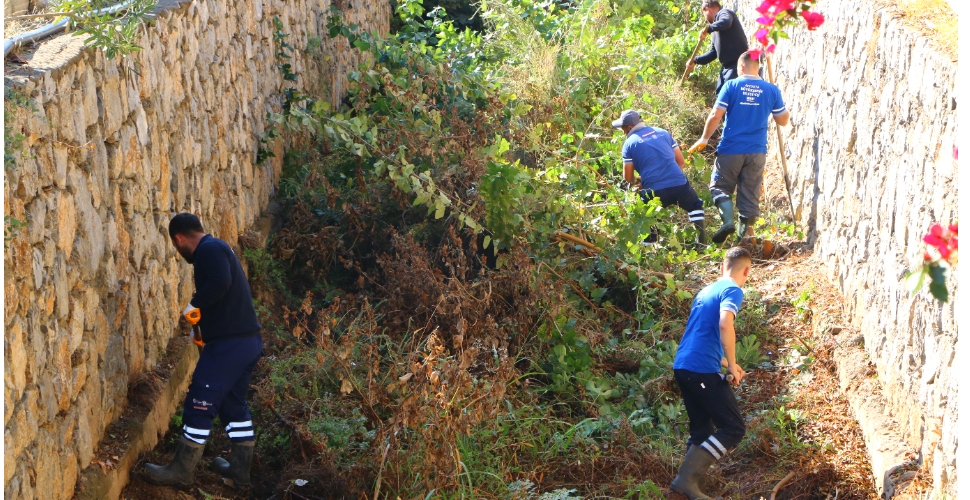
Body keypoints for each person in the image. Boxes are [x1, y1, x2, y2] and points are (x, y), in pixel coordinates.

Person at [145, 213, 264, 490]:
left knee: (200, 399)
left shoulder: (208, 249)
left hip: (230, 346)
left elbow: (220, 283)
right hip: (245, 342)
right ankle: (239, 474)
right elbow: (225, 292)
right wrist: (203, 329)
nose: (179, 251)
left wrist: (194, 305)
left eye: (176, 246)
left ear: (179, 239)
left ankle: (180, 471)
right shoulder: (218, 248)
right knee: (232, 405)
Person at [670, 246, 751, 499]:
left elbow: (704, 334)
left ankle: (686, 491)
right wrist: (730, 364)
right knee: (733, 428)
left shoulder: (706, 291)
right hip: (701, 368)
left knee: (701, 431)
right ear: (746, 271)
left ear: (721, 268)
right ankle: (686, 481)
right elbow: (725, 323)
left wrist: (728, 361)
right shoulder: (733, 290)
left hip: (684, 365)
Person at [689, 51, 790, 244]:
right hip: (757, 151)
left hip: (731, 149)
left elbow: (715, 115)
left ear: (741, 67)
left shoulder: (732, 86)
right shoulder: (771, 90)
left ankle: (727, 222)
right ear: (758, 67)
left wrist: (704, 138)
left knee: (719, 187)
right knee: (750, 195)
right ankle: (744, 241)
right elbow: (782, 120)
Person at [612, 109, 707, 245]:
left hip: (653, 190)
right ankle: (702, 245)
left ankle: (652, 251)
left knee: (648, 217)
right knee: (695, 206)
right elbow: (680, 162)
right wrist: (671, 177)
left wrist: (638, 181)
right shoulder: (663, 133)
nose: (623, 132)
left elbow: (627, 177)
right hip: (679, 184)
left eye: (622, 129)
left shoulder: (629, 144)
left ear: (629, 128)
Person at [685, 0, 749, 95]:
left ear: (707, 9)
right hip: (726, 67)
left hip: (737, 65)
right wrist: (695, 60)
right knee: (720, 94)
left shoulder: (724, 13)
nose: (705, 18)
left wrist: (709, 28)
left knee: (728, 95)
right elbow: (714, 53)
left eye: (704, 15)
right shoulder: (716, 28)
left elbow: (726, 22)